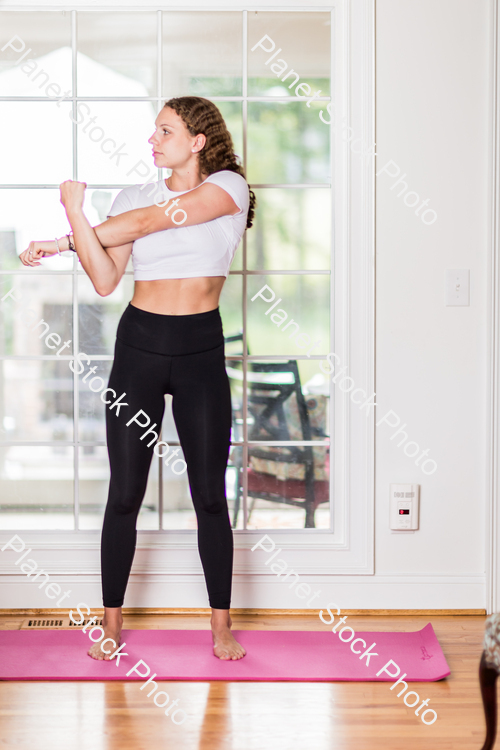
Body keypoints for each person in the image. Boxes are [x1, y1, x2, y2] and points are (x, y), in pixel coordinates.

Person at [19, 96, 256, 661]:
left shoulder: (227, 188)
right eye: (154, 130)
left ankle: (221, 628)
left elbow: (158, 220)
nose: (152, 140)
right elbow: (105, 279)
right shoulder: (132, 198)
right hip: (140, 350)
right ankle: (111, 625)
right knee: (125, 494)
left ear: (197, 141)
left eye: (165, 131)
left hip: (199, 351)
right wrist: (76, 218)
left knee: (209, 499)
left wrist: (59, 240)